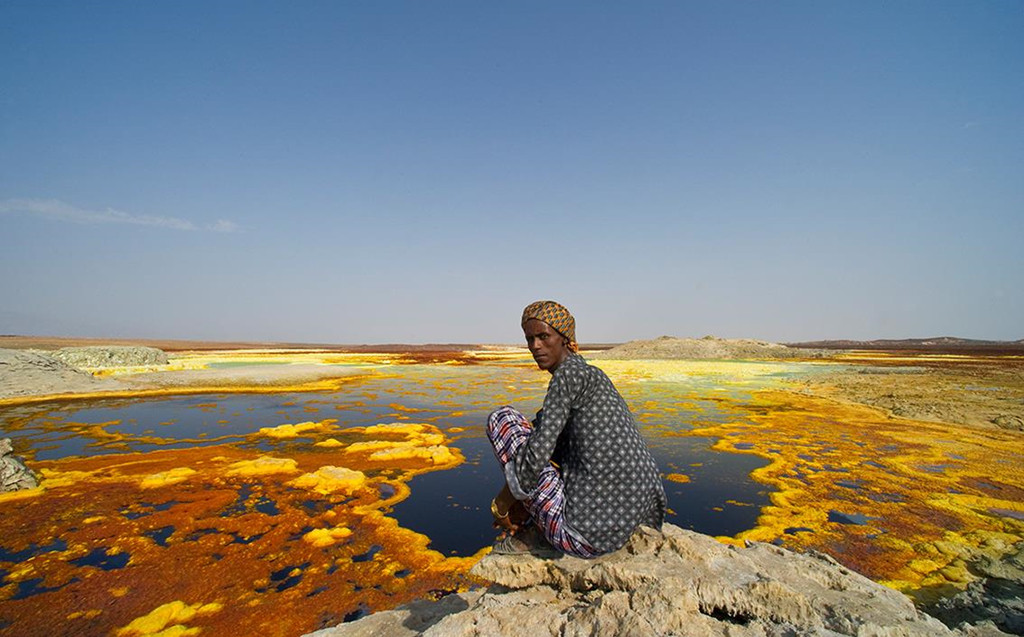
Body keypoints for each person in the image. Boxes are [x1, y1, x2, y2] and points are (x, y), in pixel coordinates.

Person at [487, 300, 666, 557]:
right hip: (631, 522)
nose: (535, 346)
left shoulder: (566, 376)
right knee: (541, 437)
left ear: (564, 338)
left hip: (583, 538)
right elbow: (543, 430)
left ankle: (536, 537)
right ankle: (534, 516)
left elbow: (536, 454)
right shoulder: (591, 375)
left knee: (502, 419)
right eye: (529, 339)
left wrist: (503, 504)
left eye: (543, 336)